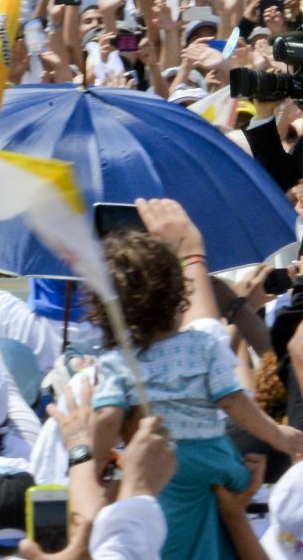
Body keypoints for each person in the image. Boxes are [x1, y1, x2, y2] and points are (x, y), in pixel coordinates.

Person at [90, 199, 303, 560]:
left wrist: (92, 461)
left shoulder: (116, 361)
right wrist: (278, 435)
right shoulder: (203, 344)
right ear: (177, 298)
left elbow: (108, 417)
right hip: (216, 459)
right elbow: (233, 400)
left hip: (158, 463)